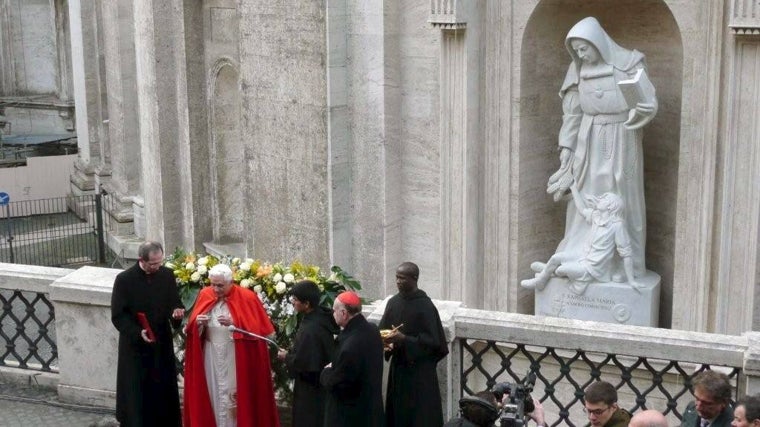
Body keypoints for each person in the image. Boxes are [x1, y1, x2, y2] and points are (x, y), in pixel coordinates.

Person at [544, 16, 657, 284]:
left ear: (598, 42)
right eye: (577, 50)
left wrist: (644, 110)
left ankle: (620, 264)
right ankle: (582, 256)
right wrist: (567, 148)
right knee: (586, 194)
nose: (581, 54)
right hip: (589, 139)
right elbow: (571, 114)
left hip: (622, 138)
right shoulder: (577, 69)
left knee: (620, 196)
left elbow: (646, 101)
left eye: (585, 48)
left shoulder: (628, 63)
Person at [183, 263, 280, 427]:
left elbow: (259, 331)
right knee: (213, 391)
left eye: (220, 285)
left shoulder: (247, 297)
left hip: (236, 355)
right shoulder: (205, 294)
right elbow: (192, 329)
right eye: (213, 284)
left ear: (231, 282)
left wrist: (235, 323)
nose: (215, 289)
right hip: (211, 354)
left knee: (234, 395)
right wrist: (198, 324)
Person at [111, 240, 185, 427]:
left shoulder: (167, 275)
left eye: (160, 262)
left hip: (161, 343)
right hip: (135, 346)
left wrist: (177, 313)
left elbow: (174, 304)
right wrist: (138, 332)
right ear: (141, 260)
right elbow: (118, 316)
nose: (157, 267)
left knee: (163, 391)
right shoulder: (124, 280)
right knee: (137, 393)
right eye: (153, 264)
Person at [521, 189, 641, 294]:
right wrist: (574, 188)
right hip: (582, 256)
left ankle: (547, 271)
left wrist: (632, 281)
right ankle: (541, 280)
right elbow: (581, 209)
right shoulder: (596, 216)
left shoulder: (617, 225)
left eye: (604, 199)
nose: (599, 200)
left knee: (561, 269)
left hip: (594, 267)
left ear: (610, 206)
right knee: (555, 258)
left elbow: (626, 253)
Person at [379, 261, 449, 427]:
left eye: (402, 278)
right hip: (399, 370)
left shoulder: (425, 306)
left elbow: (434, 342)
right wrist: (387, 342)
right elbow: (382, 330)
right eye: (396, 277)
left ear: (414, 278)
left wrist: (405, 340)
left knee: (419, 417)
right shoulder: (393, 302)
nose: (398, 281)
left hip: (420, 373)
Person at [277, 280, 339, 427]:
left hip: (311, 388)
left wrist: (286, 357)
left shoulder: (311, 329)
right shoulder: (321, 317)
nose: (293, 302)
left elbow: (305, 363)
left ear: (307, 304)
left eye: (296, 300)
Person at [320, 291, 384, 427]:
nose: (333, 314)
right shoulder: (372, 330)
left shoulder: (350, 345)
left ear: (343, 313)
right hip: (370, 409)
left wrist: (326, 372)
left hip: (349, 415)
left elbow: (339, 384)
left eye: (334, 311)